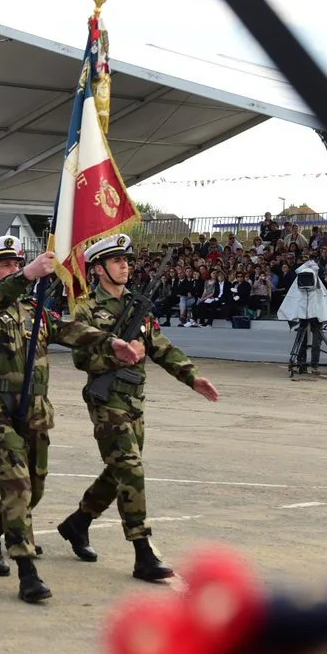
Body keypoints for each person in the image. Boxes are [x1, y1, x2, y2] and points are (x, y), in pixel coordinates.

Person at [0, 236, 144, 603]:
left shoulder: (35, 310)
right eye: (5, 266)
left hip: (36, 411)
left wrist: (110, 343)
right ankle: (27, 571)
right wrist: (28, 274)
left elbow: (68, 330)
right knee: (17, 488)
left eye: (17, 264)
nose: (13, 269)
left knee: (36, 489)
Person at [55, 234, 220, 581]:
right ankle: (142, 551)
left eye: (126, 260)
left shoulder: (138, 305)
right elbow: (81, 357)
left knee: (118, 472)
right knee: (131, 470)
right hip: (107, 399)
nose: (124, 265)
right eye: (116, 261)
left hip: (134, 399)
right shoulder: (86, 309)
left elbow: (161, 347)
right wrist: (114, 352)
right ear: (98, 268)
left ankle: (78, 522)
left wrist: (193, 378)